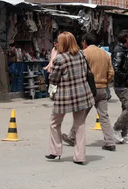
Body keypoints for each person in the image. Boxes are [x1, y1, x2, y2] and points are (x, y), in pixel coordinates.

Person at [46, 32, 95, 164]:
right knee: (79, 125)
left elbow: (54, 79)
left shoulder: (59, 59)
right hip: (82, 94)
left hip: (64, 96)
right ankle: (80, 157)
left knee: (55, 123)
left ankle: (55, 151)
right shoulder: (81, 55)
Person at [62, 33, 116, 152]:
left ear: (85, 42)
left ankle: (72, 137)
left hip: (87, 89)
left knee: (80, 116)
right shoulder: (105, 54)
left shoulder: (83, 54)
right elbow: (111, 73)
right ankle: (110, 142)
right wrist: (104, 82)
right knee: (104, 116)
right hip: (102, 89)